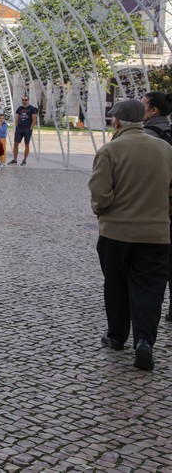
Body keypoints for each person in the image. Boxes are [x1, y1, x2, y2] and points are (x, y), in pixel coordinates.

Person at [90, 100, 172, 371]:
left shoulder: (110, 150)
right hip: (156, 234)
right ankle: (145, 341)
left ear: (117, 122)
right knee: (149, 289)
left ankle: (116, 336)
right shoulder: (165, 149)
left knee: (115, 284)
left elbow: (101, 195)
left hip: (116, 233)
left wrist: (102, 212)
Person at [140, 91, 172, 321]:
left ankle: (145, 315)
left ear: (154, 111)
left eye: (143, 106)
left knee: (148, 267)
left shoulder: (147, 137)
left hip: (153, 209)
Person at [9, 94, 38, 165]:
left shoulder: (31, 108)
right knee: (16, 143)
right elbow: (17, 118)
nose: (24, 101)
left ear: (28, 100)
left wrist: (31, 128)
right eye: (23, 100)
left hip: (27, 129)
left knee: (26, 144)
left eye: (26, 100)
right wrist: (16, 127)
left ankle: (24, 159)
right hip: (19, 128)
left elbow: (34, 119)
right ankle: (15, 159)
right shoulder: (20, 108)